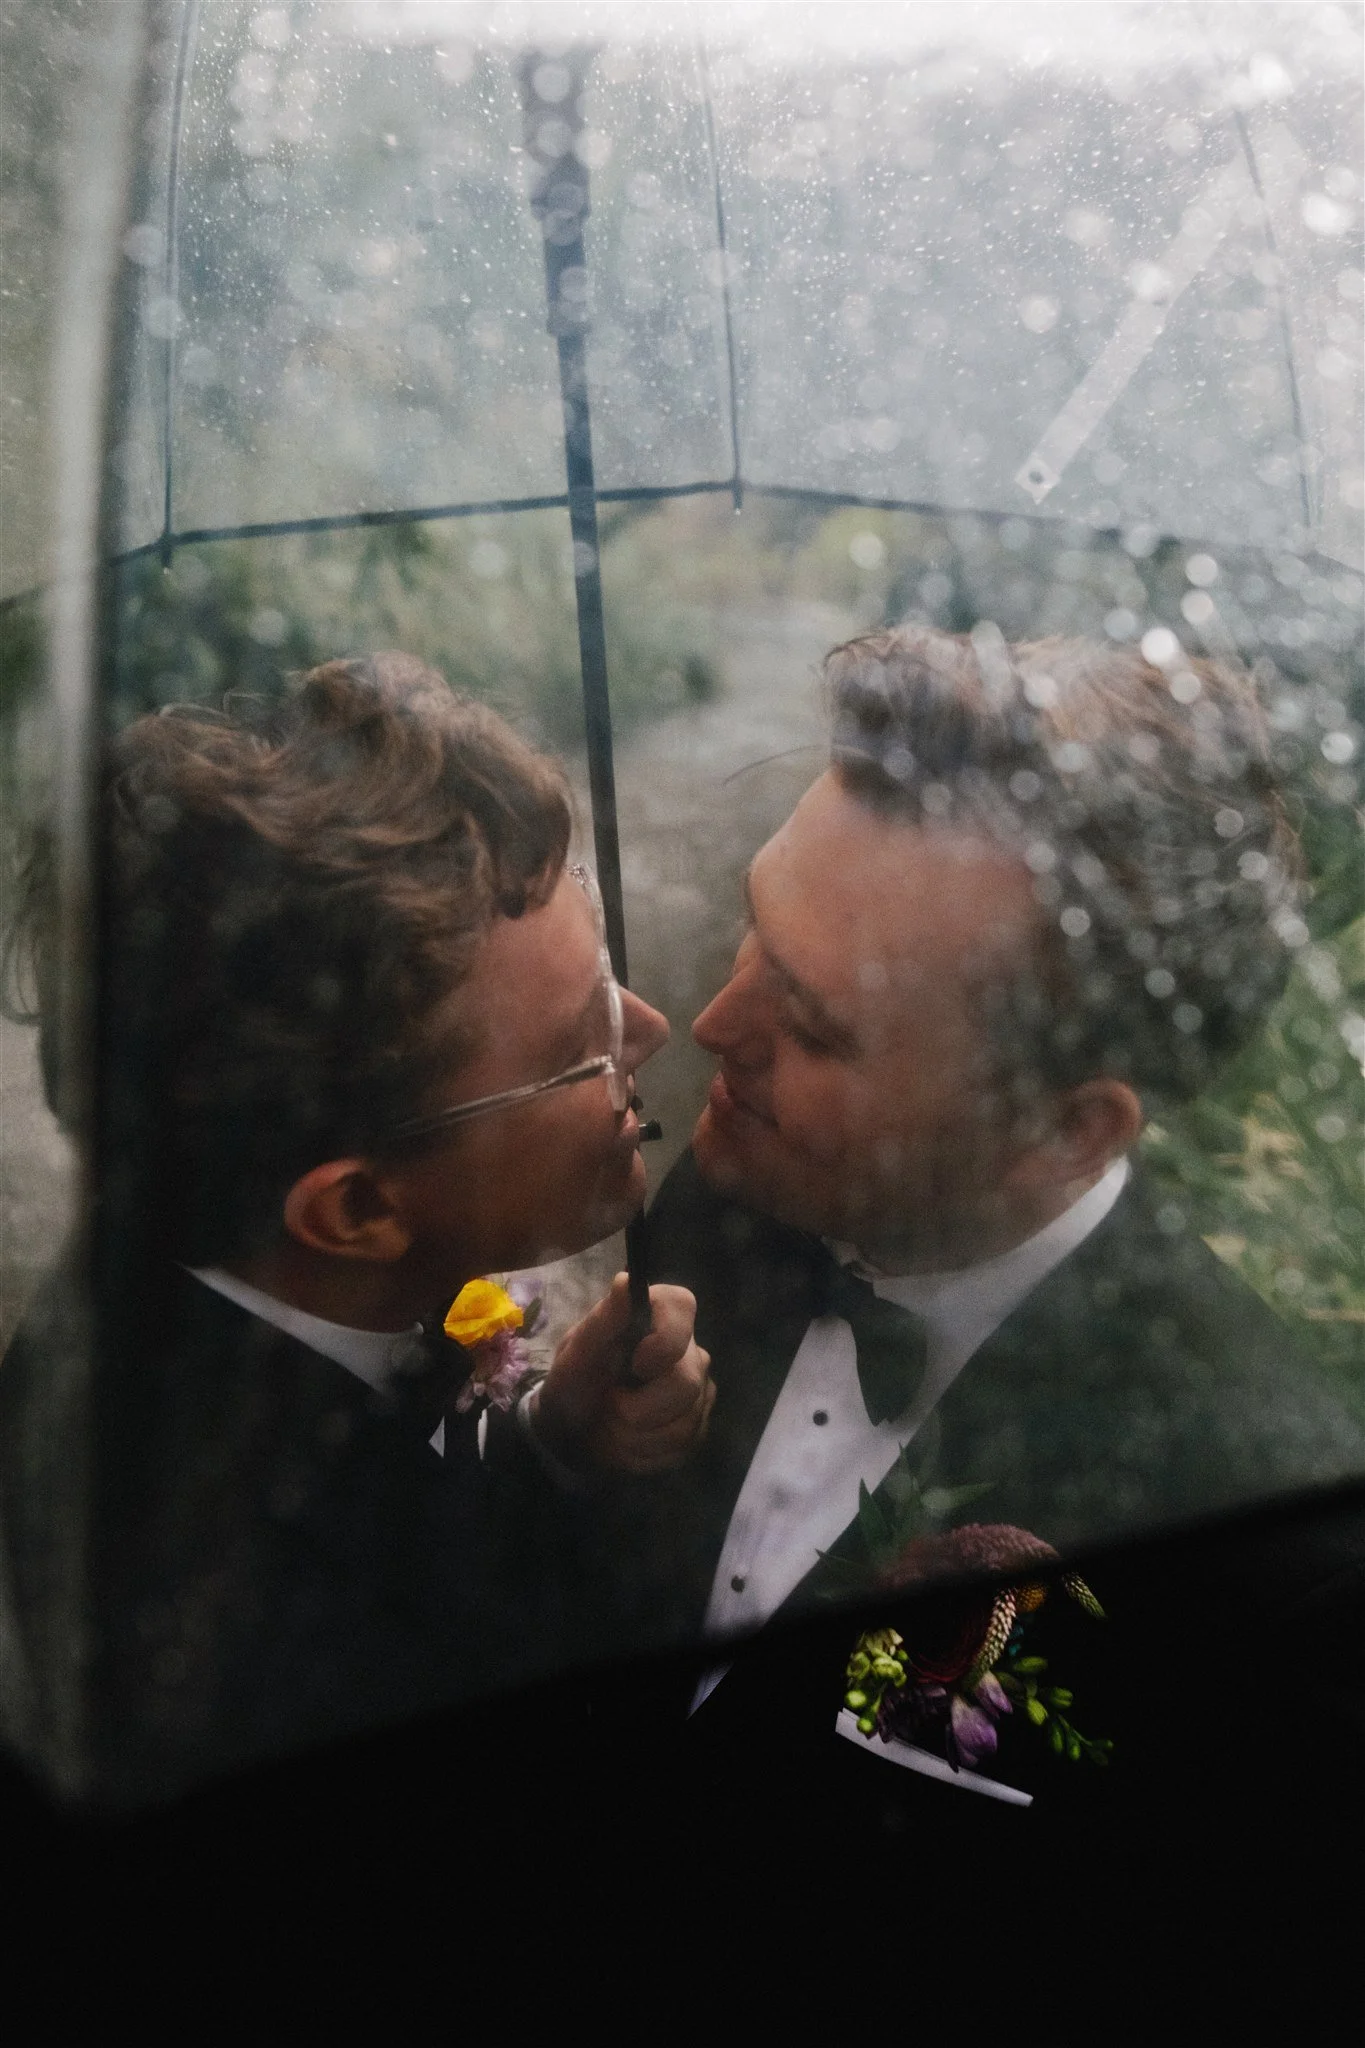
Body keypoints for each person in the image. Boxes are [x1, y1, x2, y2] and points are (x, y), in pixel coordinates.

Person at [0, 652, 711, 1801]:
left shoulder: (177, 1283)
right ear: (360, 1208)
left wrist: (541, 1438)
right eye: (581, 1047)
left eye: (610, 975)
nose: (653, 1027)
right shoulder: (336, 1661)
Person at [638, 624, 1365, 1682]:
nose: (711, 1023)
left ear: (1066, 1128)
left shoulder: (1267, 1534)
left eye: (815, 1025)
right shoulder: (733, 1186)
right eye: (755, 934)